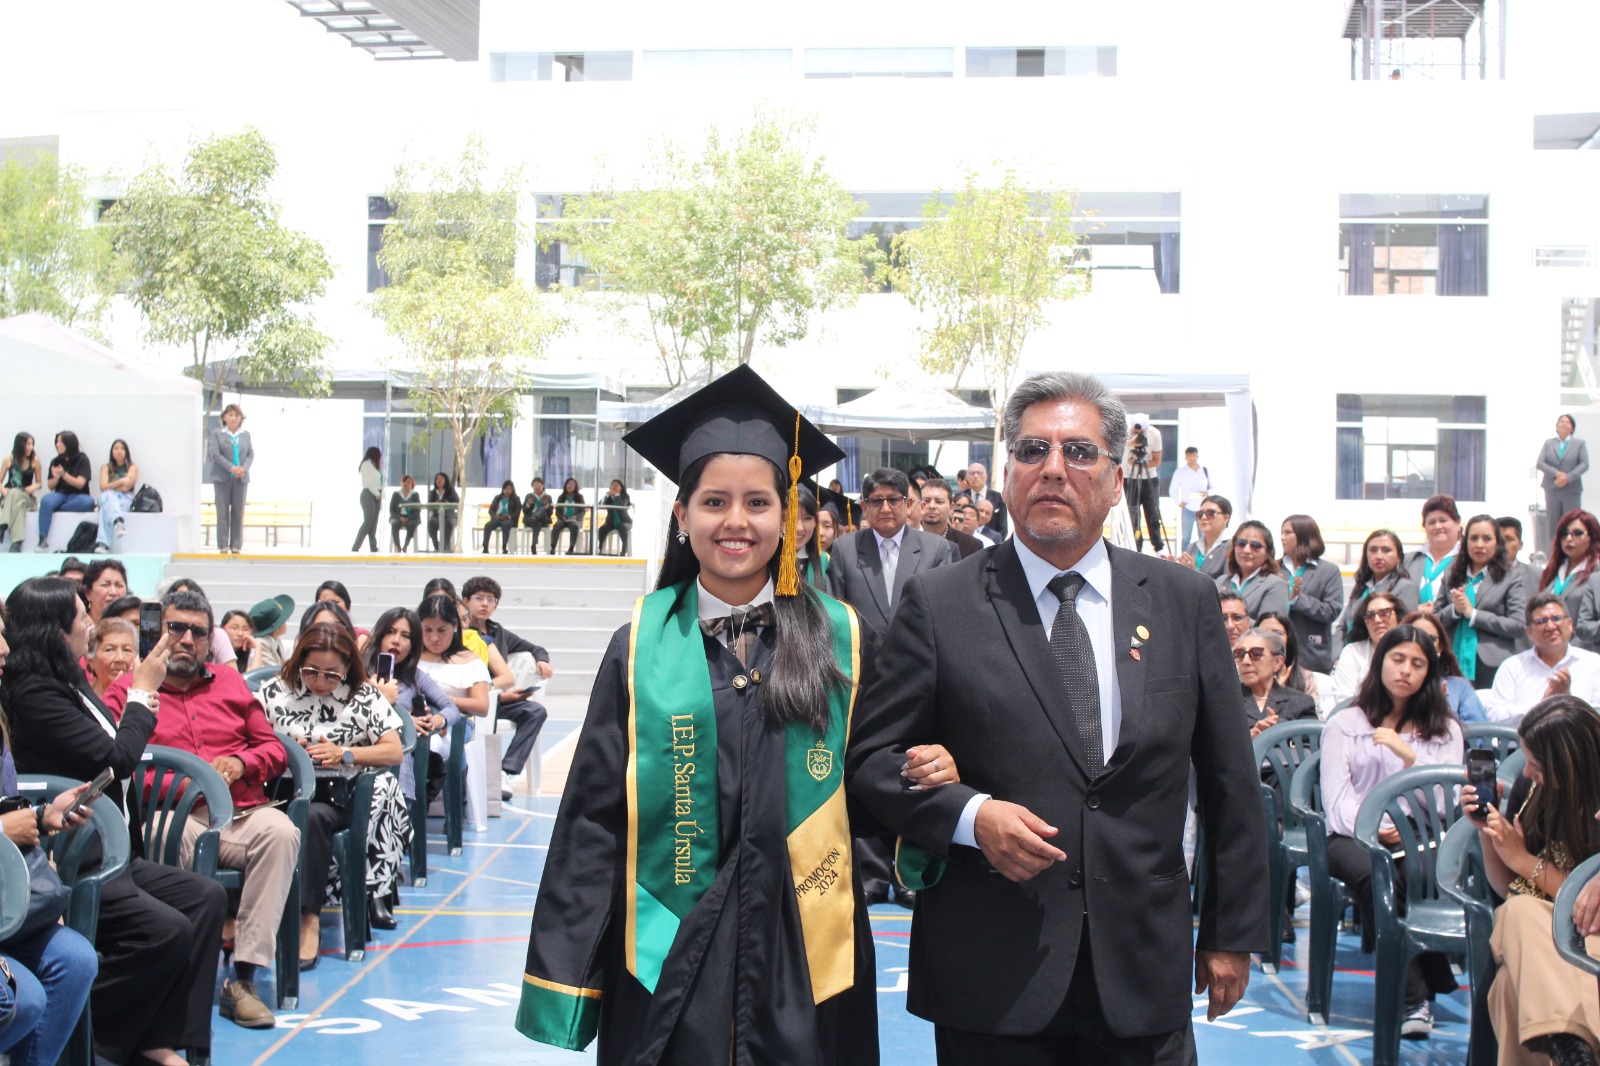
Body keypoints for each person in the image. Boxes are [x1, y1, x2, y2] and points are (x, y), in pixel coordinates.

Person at [518, 363, 959, 1063]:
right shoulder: (639, 646)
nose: (736, 522)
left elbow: (873, 781)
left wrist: (920, 786)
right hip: (669, 952)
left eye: (759, 502)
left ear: (787, 518)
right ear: (681, 513)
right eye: (714, 501)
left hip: (808, 955)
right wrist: (566, 971)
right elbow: (593, 816)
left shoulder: (840, 637)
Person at [846, 370, 1268, 1062]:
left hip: (1141, 969)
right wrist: (969, 816)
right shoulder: (940, 603)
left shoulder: (1182, 600)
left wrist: (1230, 932)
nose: (1053, 470)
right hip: (994, 973)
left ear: (1114, 476)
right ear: (1007, 473)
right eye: (1032, 451)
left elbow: (1228, 780)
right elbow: (869, 763)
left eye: (1078, 452)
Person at [0, 578, 226, 1065]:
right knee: (164, 930)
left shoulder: (69, 680)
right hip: (76, 853)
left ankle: (170, 1042)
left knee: (205, 898)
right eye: (81, 616)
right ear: (56, 631)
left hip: (102, 841)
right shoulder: (33, 694)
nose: (89, 623)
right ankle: (103, 1044)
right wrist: (144, 692)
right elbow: (118, 758)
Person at [103, 588, 299, 1030]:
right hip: (174, 815)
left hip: (242, 813)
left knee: (281, 831)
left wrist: (242, 761)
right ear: (156, 631)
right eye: (176, 628)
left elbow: (273, 749)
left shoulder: (229, 683)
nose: (186, 639)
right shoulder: (129, 691)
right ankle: (183, 974)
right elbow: (119, 763)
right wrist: (190, 784)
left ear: (211, 640)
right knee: (166, 834)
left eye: (198, 632)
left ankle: (243, 978)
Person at [1321, 624, 1464, 1039]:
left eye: (1418, 664)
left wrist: (1409, 757)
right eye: (1397, 659)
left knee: (1409, 876)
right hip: (1349, 837)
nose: (1406, 670)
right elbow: (1337, 799)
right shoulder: (1346, 722)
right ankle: (1413, 998)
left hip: (1417, 838)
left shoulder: (1445, 731)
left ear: (1429, 674)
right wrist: (1376, 830)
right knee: (1377, 875)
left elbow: (1442, 804)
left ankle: (1421, 982)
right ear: (1379, 661)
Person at [1463, 695, 1600, 1066]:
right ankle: (1570, 1045)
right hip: (1540, 934)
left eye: (1536, 765)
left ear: (1569, 766)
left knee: (1510, 986)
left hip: (1588, 936)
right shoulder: (1532, 793)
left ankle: (1569, 1040)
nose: (1526, 774)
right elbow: (1504, 886)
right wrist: (1488, 836)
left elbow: (1586, 908)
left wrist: (1524, 860)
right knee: (1519, 910)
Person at [258, 622, 406, 966]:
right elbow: (248, 738)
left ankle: (308, 918)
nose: (321, 682)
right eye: (311, 672)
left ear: (347, 669)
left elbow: (393, 751)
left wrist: (346, 753)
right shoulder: (274, 692)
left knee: (312, 817)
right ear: (298, 661)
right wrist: (281, 750)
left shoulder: (364, 696)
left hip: (337, 798)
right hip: (279, 792)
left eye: (332, 675)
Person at [0, 619, 100, 1066]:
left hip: (10, 907)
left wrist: (42, 816)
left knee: (75, 961)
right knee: (19, 1002)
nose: (5, 649)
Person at [828, 466, 959, 643]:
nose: (885, 509)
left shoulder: (936, 549)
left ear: (909, 505)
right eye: (876, 501)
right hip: (861, 662)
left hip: (916, 661)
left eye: (893, 500)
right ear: (865, 508)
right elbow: (835, 614)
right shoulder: (845, 549)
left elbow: (944, 614)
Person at [462, 576, 551, 794]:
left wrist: (542, 660)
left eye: (490, 599)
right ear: (465, 601)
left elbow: (535, 647)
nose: (485, 604)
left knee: (535, 711)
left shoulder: (498, 633)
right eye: (479, 598)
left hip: (498, 701)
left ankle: (504, 771)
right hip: (471, 702)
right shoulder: (457, 633)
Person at [365, 608, 459, 808]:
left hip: (400, 756)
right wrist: (405, 720)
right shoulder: (359, 672)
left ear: (413, 645)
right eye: (390, 632)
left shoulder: (416, 677)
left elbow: (451, 708)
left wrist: (436, 720)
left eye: (405, 636)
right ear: (380, 636)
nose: (396, 640)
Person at [1433, 514, 1528, 688]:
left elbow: (1518, 625)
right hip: (1451, 661)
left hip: (1492, 665)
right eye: (1474, 538)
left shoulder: (1511, 577)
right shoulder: (1451, 573)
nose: (1479, 545)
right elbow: (1435, 620)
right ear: (1465, 542)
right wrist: (1455, 610)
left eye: (1487, 539)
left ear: (1498, 543)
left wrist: (1474, 614)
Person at [1483, 593, 1600, 724]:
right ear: (1529, 632)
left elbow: (1597, 716)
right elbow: (1495, 717)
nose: (1550, 627)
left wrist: (1568, 700)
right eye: (1542, 621)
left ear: (1570, 624)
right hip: (1524, 743)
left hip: (1577, 743)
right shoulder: (1513, 667)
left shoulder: (1593, 663)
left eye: (1556, 618)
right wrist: (1541, 707)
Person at [1400, 610, 1489, 724]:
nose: (1424, 644)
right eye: (1416, 637)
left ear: (1440, 647)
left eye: (1431, 639)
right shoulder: (1395, 684)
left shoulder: (1459, 688)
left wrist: (1442, 713)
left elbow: (1479, 736)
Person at [1280, 514, 1343, 673]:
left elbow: (1332, 610)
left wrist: (1297, 600)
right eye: (1282, 532)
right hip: (1278, 654)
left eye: (1288, 533)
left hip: (1312, 656)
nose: (1282, 538)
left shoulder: (1328, 571)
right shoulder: (1275, 568)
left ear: (1303, 536)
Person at [1338, 529, 1421, 638]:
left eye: (1386, 550)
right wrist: (1337, 654)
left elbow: (1404, 629)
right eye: (1373, 550)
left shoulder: (1405, 587)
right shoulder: (1362, 586)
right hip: (1349, 651)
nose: (1378, 556)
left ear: (1399, 556)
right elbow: (1343, 626)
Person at [1237, 627, 1317, 738]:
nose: (1245, 661)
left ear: (1277, 662)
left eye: (1255, 654)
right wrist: (1249, 737)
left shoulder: (1301, 703)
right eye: (1240, 654)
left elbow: (1310, 746)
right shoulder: (1227, 701)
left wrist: (1279, 730)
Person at [1330, 590, 1403, 709]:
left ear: (1398, 616)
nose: (1377, 620)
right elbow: (1344, 700)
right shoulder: (1353, 652)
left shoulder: (1410, 651)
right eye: (1370, 616)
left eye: (1384, 613)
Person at [1541, 510, 1600, 651]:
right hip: (1550, 650)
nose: (1569, 538)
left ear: (1592, 537)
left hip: (1585, 653)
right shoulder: (1553, 571)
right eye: (1564, 534)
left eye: (1578, 533)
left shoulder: (1597, 573)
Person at [1218, 519, 1289, 621]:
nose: (1246, 550)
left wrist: (1235, 619)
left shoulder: (1275, 585)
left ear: (1268, 552)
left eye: (1256, 546)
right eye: (1241, 544)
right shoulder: (1220, 582)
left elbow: (1270, 629)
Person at [34, 431, 93, 552]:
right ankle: (43, 539)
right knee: (46, 501)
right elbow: (50, 486)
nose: (57, 445)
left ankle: (56, 508)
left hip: (79, 495)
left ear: (69, 443)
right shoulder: (56, 461)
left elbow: (80, 483)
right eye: (57, 442)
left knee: (88, 503)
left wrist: (63, 474)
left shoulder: (82, 459)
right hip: (60, 494)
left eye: (60, 442)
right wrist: (56, 477)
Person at [208, 404, 252, 555]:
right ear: (225, 417)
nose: (233, 418)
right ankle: (223, 545)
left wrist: (243, 468)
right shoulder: (218, 433)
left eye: (236, 416)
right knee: (222, 511)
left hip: (240, 479)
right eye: (230, 415)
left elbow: (250, 454)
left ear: (241, 419)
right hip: (222, 477)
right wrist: (231, 468)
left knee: (238, 512)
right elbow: (215, 454)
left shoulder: (245, 435)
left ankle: (236, 545)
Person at [1537, 414, 1588, 546]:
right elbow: (1540, 463)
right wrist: (1557, 473)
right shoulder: (1549, 443)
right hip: (1552, 487)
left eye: (1568, 422)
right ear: (1557, 426)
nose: (1564, 424)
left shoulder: (1579, 444)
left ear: (1572, 428)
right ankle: (1553, 556)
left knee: (1572, 522)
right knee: (1552, 523)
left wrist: (1567, 477)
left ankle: (1573, 551)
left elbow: (1584, 464)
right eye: (1562, 422)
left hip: (1571, 489)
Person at [1406, 495, 1462, 614]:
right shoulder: (1408, 561)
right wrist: (1415, 609)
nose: (1437, 526)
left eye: (1443, 520)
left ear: (1457, 523)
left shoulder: (1468, 559)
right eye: (1431, 522)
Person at [1256, 612, 1324, 708]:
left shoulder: (1304, 677)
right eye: (1263, 633)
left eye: (1278, 633)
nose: (1270, 638)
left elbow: (1313, 719)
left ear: (1288, 638)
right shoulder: (1245, 673)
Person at [1120, 412, 1164, 553]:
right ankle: (1136, 547)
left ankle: (1158, 547)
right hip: (1129, 477)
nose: (1138, 434)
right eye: (1135, 431)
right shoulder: (1124, 431)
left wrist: (1140, 463)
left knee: (1153, 513)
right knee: (1133, 514)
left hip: (1149, 478)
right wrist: (1130, 443)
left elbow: (1157, 461)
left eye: (1141, 432)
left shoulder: (1154, 434)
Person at [919, 477, 983, 560]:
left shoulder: (971, 546)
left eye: (939, 502)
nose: (932, 506)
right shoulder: (904, 540)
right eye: (926, 501)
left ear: (951, 507)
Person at [1, 432, 43, 553]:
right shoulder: (8, 459)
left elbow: (40, 483)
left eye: (32, 444)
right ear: (20, 445)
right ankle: (16, 543)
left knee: (14, 493)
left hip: (27, 496)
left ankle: (3, 525)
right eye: (28, 444)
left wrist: (33, 487)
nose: (30, 447)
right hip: (10, 498)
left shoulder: (35, 461)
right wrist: (4, 492)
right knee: (17, 503)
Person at [95, 438, 138, 553]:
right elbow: (103, 486)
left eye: (122, 449)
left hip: (125, 498)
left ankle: (103, 544)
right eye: (116, 449)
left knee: (106, 507)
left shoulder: (132, 467)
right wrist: (121, 481)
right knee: (108, 496)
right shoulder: (105, 467)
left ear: (126, 452)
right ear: (112, 452)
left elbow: (126, 487)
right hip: (109, 497)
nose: (119, 451)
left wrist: (111, 485)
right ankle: (118, 522)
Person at [1177, 494, 1231, 580]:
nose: (1204, 517)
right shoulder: (1193, 547)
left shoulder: (1231, 547)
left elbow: (1227, 585)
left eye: (1210, 513)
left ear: (1226, 518)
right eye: (1200, 514)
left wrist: (1194, 573)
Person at [1168, 446, 1211, 549]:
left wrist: (1207, 493)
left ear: (1198, 456)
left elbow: (1213, 487)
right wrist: (1179, 503)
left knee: (1204, 537)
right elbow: (1172, 489)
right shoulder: (1180, 472)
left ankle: (1203, 562)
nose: (1192, 458)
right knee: (1186, 538)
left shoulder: (1205, 471)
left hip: (1203, 510)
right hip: (1188, 508)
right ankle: (1184, 561)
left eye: (1194, 455)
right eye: (1190, 456)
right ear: (1186, 457)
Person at [86, 616, 138, 700]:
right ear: (91, 661)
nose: (120, 658)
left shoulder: (146, 697)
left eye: (127, 650)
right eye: (110, 650)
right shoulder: (79, 699)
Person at [248, 594, 294, 670]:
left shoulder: (276, 640)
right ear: (276, 627)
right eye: (284, 620)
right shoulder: (261, 643)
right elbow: (273, 671)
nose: (286, 622)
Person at [353, 446, 383, 553]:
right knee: (368, 521)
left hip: (376, 495)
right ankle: (355, 547)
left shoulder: (373, 466)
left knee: (373, 523)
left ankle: (373, 547)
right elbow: (369, 483)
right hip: (369, 495)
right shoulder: (366, 465)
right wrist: (377, 494)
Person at [966, 461, 1007, 537]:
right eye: (972, 473)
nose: (975, 476)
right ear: (967, 477)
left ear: (986, 476)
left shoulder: (999, 498)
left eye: (979, 473)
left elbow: (1003, 528)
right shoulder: (961, 496)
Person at [83, 558, 128, 622]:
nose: (113, 592)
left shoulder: (132, 625)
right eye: (105, 585)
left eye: (119, 585)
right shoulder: (80, 628)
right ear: (88, 592)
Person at [482, 480, 519, 555]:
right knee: (488, 525)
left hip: (509, 520)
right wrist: (495, 516)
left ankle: (504, 546)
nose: (507, 491)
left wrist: (508, 516)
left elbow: (517, 512)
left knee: (505, 525)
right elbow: (491, 510)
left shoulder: (516, 499)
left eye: (509, 489)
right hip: (497, 518)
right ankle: (485, 546)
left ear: (512, 490)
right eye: (505, 489)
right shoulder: (497, 498)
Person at [388, 473, 421, 553]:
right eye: (404, 481)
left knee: (412, 525)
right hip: (398, 516)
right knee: (394, 524)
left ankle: (406, 545)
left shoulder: (415, 495)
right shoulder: (396, 494)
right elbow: (392, 510)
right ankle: (398, 546)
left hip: (411, 517)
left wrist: (408, 518)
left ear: (412, 484)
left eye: (408, 482)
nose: (406, 483)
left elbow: (417, 510)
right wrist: (399, 518)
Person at [428, 472, 459, 553]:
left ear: (445, 480)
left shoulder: (451, 491)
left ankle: (444, 545)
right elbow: (429, 505)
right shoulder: (433, 492)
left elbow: (457, 502)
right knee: (431, 523)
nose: (439, 481)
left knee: (449, 524)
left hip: (449, 516)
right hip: (436, 516)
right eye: (437, 479)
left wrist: (447, 502)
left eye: (441, 479)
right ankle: (436, 545)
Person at [553, 478, 584, 555]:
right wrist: (561, 516)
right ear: (565, 485)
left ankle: (571, 547)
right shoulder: (561, 497)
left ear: (575, 486)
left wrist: (576, 517)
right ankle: (553, 546)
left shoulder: (580, 497)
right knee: (557, 525)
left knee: (574, 526)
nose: (570, 486)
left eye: (572, 484)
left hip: (574, 520)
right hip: (563, 519)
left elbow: (582, 511)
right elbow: (557, 511)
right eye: (568, 484)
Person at [522, 477, 553, 554]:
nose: (536, 487)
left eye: (538, 484)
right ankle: (533, 545)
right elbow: (524, 511)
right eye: (534, 485)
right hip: (533, 520)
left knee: (542, 509)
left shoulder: (548, 497)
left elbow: (550, 513)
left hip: (543, 519)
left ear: (543, 485)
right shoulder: (529, 496)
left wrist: (546, 505)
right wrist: (528, 504)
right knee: (537, 523)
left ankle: (534, 517)